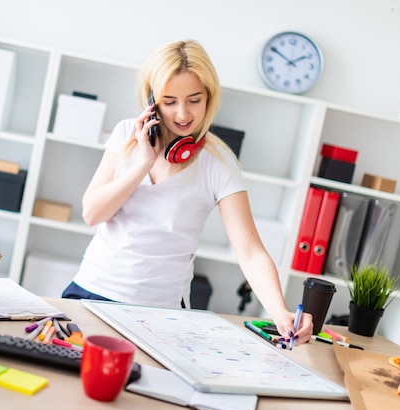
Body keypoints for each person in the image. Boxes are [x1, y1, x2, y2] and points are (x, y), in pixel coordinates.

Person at [61, 39, 312, 346]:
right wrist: (143, 163)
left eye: (194, 100)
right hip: (93, 291)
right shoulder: (127, 135)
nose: (182, 114)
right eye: (169, 102)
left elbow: (249, 251)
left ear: (209, 97)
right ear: (151, 100)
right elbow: (92, 213)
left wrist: (280, 311)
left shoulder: (219, 163)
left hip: (161, 313)